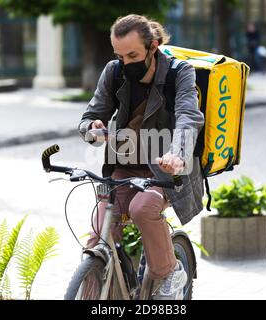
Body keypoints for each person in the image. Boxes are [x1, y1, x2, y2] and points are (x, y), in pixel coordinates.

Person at [77, 14, 204, 300]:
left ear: (153, 46)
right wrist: (92, 129)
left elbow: (188, 117)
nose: (125, 62)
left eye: (132, 54)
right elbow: (90, 117)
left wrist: (177, 154)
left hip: (166, 170)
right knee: (100, 233)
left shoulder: (178, 73)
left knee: (142, 208)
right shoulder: (114, 72)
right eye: (119, 55)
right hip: (124, 168)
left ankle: (171, 273)